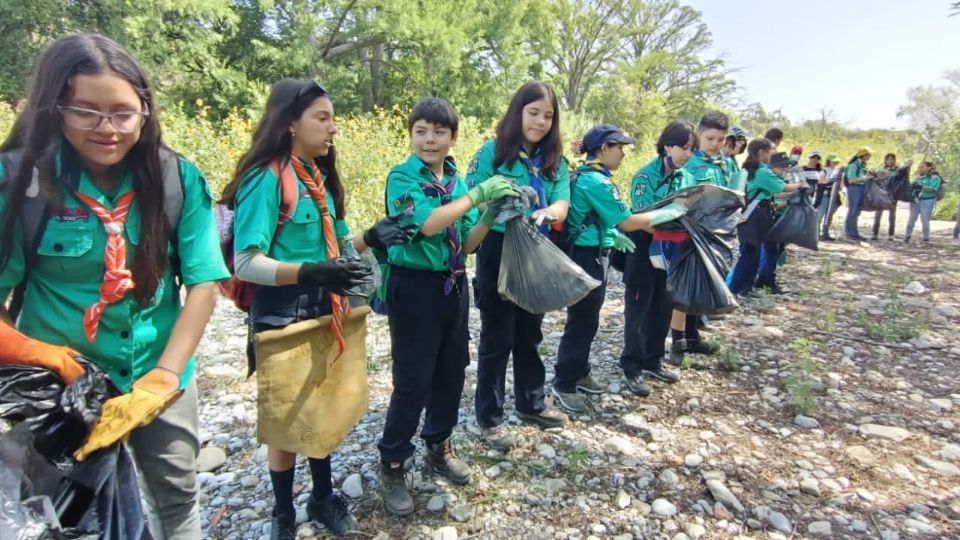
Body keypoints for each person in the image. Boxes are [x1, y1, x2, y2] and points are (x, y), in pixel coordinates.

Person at [0, 34, 229, 539]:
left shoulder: (176, 179)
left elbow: (204, 283)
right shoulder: (21, 183)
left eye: (123, 113)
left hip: (159, 371)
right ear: (55, 108)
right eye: (86, 111)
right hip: (59, 387)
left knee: (177, 499)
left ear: (145, 111)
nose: (107, 129)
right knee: (63, 512)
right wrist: (51, 360)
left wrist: (167, 376)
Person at [219, 79, 413, 539]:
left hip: (325, 305)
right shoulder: (267, 179)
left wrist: (374, 236)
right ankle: (282, 514)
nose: (332, 128)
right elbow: (248, 262)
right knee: (286, 416)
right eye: (322, 118)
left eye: (333, 119)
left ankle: (323, 498)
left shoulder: (318, 177)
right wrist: (310, 272)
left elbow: (341, 247)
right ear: (289, 122)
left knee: (321, 405)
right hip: (282, 313)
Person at [376, 98, 517, 516]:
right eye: (421, 131)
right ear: (411, 135)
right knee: (413, 379)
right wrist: (478, 194)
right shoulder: (402, 178)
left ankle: (439, 443)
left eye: (439, 132)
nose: (429, 139)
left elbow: (466, 244)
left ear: (453, 139)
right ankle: (393, 461)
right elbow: (427, 224)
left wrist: (490, 214)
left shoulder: (455, 181)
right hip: (413, 288)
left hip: (453, 286)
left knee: (452, 371)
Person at [551, 124, 686, 413]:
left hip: (588, 251)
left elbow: (600, 219)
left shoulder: (586, 176)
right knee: (581, 321)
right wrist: (667, 213)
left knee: (587, 319)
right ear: (603, 149)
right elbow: (628, 220)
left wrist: (612, 236)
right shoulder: (597, 182)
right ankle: (564, 382)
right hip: (586, 256)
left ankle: (580, 371)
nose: (623, 154)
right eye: (619, 147)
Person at [466, 81, 570, 451]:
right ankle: (490, 416)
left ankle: (532, 402)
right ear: (517, 113)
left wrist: (547, 211)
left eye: (548, 116)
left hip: (537, 246)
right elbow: (471, 198)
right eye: (533, 113)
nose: (541, 122)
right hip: (498, 245)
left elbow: (562, 203)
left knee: (530, 330)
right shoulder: (491, 154)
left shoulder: (554, 161)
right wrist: (495, 207)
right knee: (498, 334)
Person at [619, 120, 697, 397]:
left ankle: (653, 360)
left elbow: (691, 208)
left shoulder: (686, 178)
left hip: (672, 249)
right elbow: (641, 217)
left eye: (692, 149)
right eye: (683, 147)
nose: (687, 154)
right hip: (644, 247)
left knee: (663, 305)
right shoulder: (645, 177)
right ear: (667, 146)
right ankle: (632, 365)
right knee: (638, 308)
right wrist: (671, 223)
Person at [667, 111, 729, 366]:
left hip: (712, 233)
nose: (715, 144)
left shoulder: (722, 165)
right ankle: (678, 343)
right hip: (690, 233)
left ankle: (692, 335)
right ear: (698, 136)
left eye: (721, 139)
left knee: (700, 283)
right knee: (684, 287)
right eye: (710, 138)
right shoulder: (689, 164)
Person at [728, 149, 802, 296]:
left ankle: (745, 287)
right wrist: (801, 185)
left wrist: (792, 194)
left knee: (753, 254)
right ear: (762, 152)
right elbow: (783, 187)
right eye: (769, 150)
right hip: (754, 217)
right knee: (749, 254)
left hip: (752, 216)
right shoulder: (762, 171)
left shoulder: (752, 169)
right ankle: (733, 289)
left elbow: (773, 193)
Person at [904, 161, 943, 243]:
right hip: (916, 200)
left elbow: (933, 189)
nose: (920, 168)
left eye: (922, 167)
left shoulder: (935, 178)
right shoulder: (918, 177)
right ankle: (907, 235)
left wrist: (921, 187)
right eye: (919, 167)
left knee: (925, 219)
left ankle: (925, 237)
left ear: (929, 168)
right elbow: (913, 187)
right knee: (911, 218)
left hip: (927, 201)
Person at [843, 147, 872, 241]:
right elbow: (850, 180)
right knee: (853, 210)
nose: (870, 156)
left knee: (857, 211)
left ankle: (854, 233)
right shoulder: (853, 166)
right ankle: (849, 232)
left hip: (861, 188)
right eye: (868, 155)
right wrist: (863, 178)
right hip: (854, 188)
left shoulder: (862, 165)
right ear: (863, 155)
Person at [871, 153, 899, 241]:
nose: (890, 161)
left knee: (892, 215)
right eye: (888, 160)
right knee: (878, 214)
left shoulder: (897, 171)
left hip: (893, 195)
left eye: (892, 159)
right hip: (882, 194)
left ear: (895, 160)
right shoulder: (882, 170)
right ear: (885, 161)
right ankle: (875, 233)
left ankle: (891, 234)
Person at [818, 154, 843, 240]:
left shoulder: (838, 172)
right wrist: (830, 180)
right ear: (829, 161)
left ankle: (825, 233)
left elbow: (841, 185)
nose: (835, 163)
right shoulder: (824, 171)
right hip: (825, 195)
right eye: (833, 162)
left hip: (834, 196)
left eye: (836, 162)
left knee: (829, 216)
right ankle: (816, 233)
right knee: (820, 214)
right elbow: (821, 181)